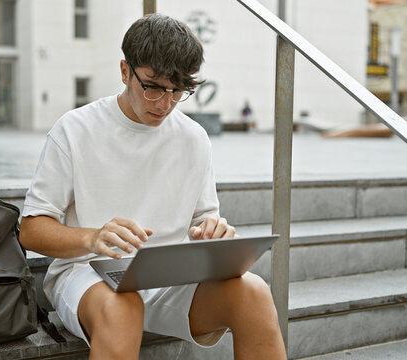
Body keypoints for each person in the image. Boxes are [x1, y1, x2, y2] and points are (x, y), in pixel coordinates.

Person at [19, 13, 286, 360]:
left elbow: (204, 219)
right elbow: (30, 229)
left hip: (168, 276)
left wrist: (211, 231)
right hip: (88, 273)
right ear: (125, 71)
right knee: (122, 307)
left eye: (178, 91)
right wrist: (92, 237)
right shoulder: (74, 129)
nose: (165, 104)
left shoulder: (193, 138)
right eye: (153, 86)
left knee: (254, 293)